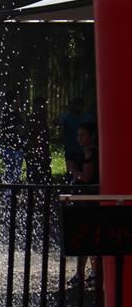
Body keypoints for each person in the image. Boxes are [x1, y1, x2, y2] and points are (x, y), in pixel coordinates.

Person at [70, 121, 99, 286]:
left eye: (83, 135)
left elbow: (86, 178)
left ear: (91, 136)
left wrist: (73, 170)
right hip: (86, 199)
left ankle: (89, 272)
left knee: (87, 237)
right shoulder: (86, 152)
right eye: (78, 135)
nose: (79, 138)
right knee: (87, 237)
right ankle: (85, 272)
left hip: (88, 200)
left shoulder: (90, 153)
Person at [57, 98, 94, 183]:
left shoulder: (88, 118)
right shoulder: (66, 117)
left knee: (85, 172)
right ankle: (72, 188)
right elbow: (59, 122)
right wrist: (57, 122)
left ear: (82, 106)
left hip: (85, 150)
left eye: (77, 105)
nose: (75, 107)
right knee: (71, 173)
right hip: (71, 150)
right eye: (73, 105)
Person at [23, 96, 52, 184]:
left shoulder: (42, 119)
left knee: (41, 179)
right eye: (42, 105)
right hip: (36, 153)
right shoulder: (33, 119)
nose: (44, 108)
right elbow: (28, 136)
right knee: (37, 179)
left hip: (42, 153)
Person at [0, 93, 24, 184]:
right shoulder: (8, 114)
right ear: (13, 101)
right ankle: (9, 194)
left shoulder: (15, 114)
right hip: (10, 147)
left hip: (15, 147)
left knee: (14, 173)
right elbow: (6, 130)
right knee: (11, 172)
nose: (19, 102)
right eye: (18, 99)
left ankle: (11, 193)